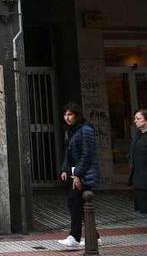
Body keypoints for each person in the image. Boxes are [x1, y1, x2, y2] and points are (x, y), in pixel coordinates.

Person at [57, 103, 100, 249]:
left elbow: (87, 155)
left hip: (84, 174)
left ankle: (74, 237)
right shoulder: (71, 131)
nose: (67, 118)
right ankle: (94, 236)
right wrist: (65, 169)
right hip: (76, 172)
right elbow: (69, 154)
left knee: (74, 202)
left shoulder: (85, 130)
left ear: (76, 115)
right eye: (65, 115)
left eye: (70, 114)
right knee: (78, 204)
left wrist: (77, 174)